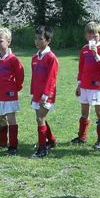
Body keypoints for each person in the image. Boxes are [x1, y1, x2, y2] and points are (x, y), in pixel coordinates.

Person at [71, 21, 100, 149]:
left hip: (97, 86)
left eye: (95, 35)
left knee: (99, 112)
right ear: (86, 36)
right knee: (84, 111)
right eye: (89, 35)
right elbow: (81, 68)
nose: (92, 38)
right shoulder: (84, 49)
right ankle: (82, 136)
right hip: (84, 86)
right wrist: (79, 85)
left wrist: (96, 54)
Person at [0, 27, 25, 155]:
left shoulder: (13, 59)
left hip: (10, 94)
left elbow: (20, 74)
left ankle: (13, 145)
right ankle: (3, 142)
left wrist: (17, 87)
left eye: (1, 41)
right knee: (1, 118)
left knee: (11, 119)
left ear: (8, 41)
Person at [30, 25, 59, 158]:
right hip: (37, 94)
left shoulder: (51, 57)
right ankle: (51, 140)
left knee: (40, 118)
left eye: (40, 39)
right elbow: (34, 77)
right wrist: (33, 92)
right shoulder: (35, 58)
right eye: (36, 38)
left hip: (47, 95)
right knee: (40, 118)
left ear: (48, 41)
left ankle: (42, 148)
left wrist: (45, 95)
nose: (37, 41)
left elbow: (51, 79)